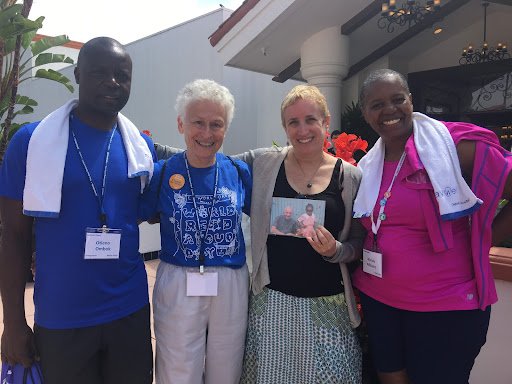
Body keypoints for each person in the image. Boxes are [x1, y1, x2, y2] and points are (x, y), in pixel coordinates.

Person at [0, 37, 155, 384]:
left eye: (122, 74)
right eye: (100, 72)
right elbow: (13, 234)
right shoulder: (31, 141)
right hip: (62, 317)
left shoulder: (141, 148)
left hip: (129, 311)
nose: (112, 82)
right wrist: (12, 321)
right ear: (78, 75)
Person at [352, 68, 512, 384]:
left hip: (445, 304)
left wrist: (485, 238)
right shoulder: (367, 165)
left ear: (411, 100)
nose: (389, 110)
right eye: (377, 104)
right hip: (380, 300)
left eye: (398, 99)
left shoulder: (452, 146)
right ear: (366, 113)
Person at [238, 85, 364, 383]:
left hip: (328, 305)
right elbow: (209, 156)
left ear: (326, 122)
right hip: (271, 303)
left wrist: (336, 250)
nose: (303, 129)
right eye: (293, 122)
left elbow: (360, 243)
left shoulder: (349, 176)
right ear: (284, 127)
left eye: (311, 119)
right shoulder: (264, 164)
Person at [139, 79, 252, 384]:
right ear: (181, 124)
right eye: (197, 123)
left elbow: (265, 214)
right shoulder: (164, 172)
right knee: (177, 368)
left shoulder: (238, 171)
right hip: (179, 277)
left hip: (230, 280)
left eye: (216, 124)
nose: (206, 133)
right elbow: (135, 215)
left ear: (225, 128)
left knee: (226, 366)